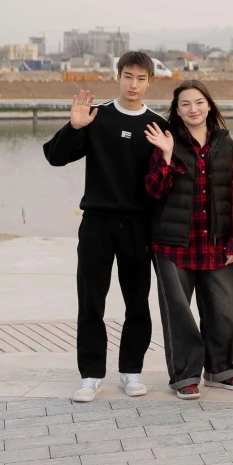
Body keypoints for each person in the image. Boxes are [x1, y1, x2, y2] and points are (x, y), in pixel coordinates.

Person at [42, 51, 165, 403]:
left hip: (138, 226)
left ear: (149, 82)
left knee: (137, 302)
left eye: (141, 78)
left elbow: (166, 181)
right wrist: (74, 127)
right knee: (91, 301)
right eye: (128, 76)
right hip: (96, 222)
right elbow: (55, 157)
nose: (134, 84)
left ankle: (131, 371)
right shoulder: (97, 116)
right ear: (118, 76)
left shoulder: (158, 125)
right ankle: (91, 375)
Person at [143, 80, 233, 400]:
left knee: (224, 311)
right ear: (177, 111)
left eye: (199, 102)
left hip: (216, 243)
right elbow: (154, 190)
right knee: (179, 315)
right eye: (186, 104)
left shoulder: (225, 143)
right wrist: (166, 155)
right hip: (173, 245)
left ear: (209, 105)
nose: (193, 109)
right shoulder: (167, 141)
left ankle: (221, 370)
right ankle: (185, 376)